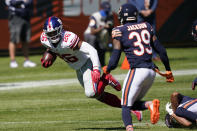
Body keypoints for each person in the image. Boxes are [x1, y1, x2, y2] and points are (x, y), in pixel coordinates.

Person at [40, 16, 142, 121]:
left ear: (60, 29)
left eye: (54, 33)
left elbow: (92, 50)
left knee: (91, 93)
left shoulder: (68, 39)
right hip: (77, 67)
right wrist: (50, 53)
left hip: (87, 63)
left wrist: (96, 69)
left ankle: (105, 78)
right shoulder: (44, 39)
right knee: (98, 96)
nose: (52, 36)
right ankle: (131, 109)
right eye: (49, 34)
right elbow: (54, 48)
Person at [102, 3, 174, 131]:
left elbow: (114, 60)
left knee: (125, 105)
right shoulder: (147, 26)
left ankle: (130, 128)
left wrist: (107, 70)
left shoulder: (119, 30)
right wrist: (168, 69)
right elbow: (161, 50)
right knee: (132, 103)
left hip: (137, 71)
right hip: (151, 72)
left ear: (123, 16)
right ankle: (150, 105)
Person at [5, 0, 36, 68]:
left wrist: (22, 3)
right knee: (14, 40)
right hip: (15, 18)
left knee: (25, 40)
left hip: (25, 17)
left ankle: (26, 61)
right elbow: (10, 2)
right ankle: (13, 61)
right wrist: (22, 1)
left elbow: (29, 2)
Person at [84, 1, 114, 67]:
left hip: (101, 35)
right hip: (91, 35)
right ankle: (91, 63)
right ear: (101, 8)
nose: (107, 12)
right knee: (93, 47)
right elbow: (92, 31)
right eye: (105, 10)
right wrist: (103, 27)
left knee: (103, 47)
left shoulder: (110, 15)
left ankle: (102, 63)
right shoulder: (94, 16)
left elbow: (110, 28)